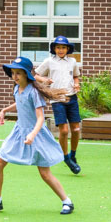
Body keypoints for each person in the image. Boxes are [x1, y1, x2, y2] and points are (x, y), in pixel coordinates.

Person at [0, 57, 74, 215]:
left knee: (44, 173)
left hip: (36, 135)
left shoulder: (34, 93)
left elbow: (40, 118)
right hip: (19, 132)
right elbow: (20, 101)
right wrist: (4, 110)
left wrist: (32, 134)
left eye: (19, 73)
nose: (15, 76)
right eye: (13, 73)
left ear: (27, 75)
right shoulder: (17, 89)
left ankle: (67, 202)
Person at [34, 36, 82, 174]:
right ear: (54, 49)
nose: (61, 50)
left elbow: (75, 76)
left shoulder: (72, 61)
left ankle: (73, 154)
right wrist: (44, 79)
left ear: (68, 49)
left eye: (63, 47)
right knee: (64, 131)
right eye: (58, 47)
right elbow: (36, 75)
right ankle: (65, 157)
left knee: (76, 130)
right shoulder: (49, 61)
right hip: (57, 99)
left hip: (72, 98)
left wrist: (77, 83)